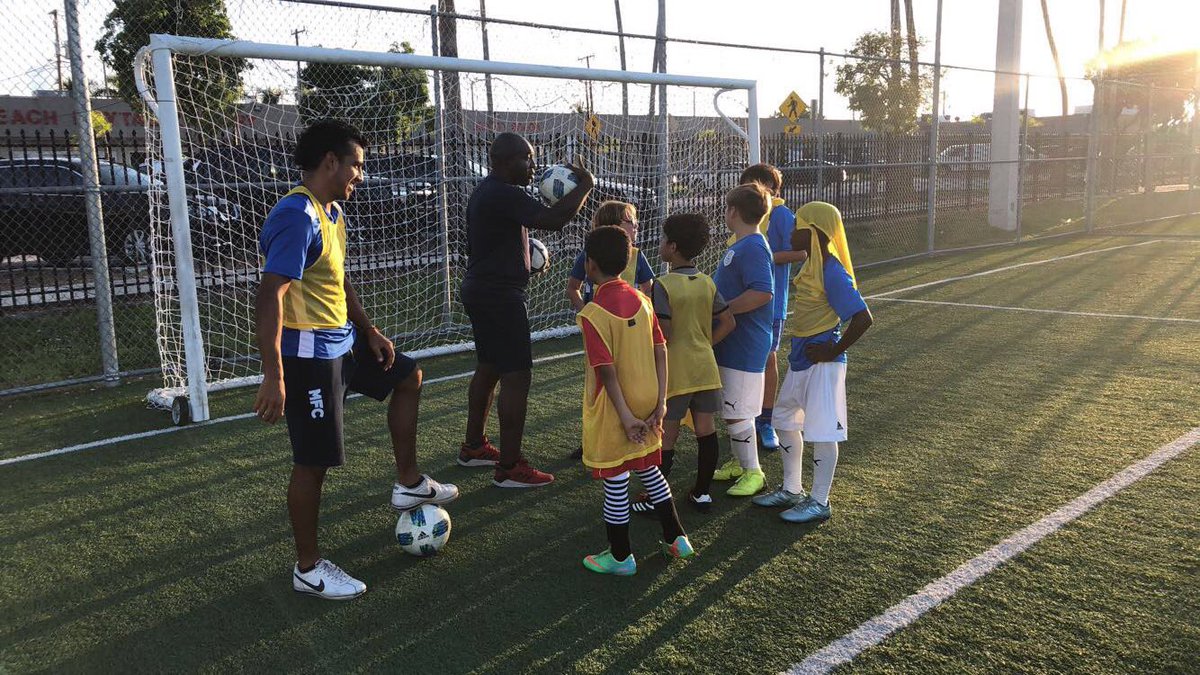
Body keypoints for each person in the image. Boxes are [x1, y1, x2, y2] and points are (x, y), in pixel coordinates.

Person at [253, 119, 458, 600]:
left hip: (343, 344)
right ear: (330, 162)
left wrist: (368, 331)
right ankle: (308, 568)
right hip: (308, 358)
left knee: (408, 376)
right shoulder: (297, 215)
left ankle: (408, 483)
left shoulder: (332, 212)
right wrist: (273, 375)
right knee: (313, 463)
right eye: (356, 165)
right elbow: (269, 295)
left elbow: (338, 279)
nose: (360, 175)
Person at [458, 132, 594, 488]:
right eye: (527, 159)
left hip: (483, 289)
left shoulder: (490, 192)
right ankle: (510, 467)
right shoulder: (503, 192)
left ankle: (473, 447)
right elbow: (553, 220)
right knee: (516, 376)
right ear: (503, 162)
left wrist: (522, 259)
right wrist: (586, 186)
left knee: (488, 367)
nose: (534, 166)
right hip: (499, 297)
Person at [576, 225, 695, 575]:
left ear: (590, 265)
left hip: (619, 407)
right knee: (648, 466)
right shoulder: (643, 301)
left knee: (616, 480)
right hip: (649, 397)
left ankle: (620, 555)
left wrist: (626, 417)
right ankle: (677, 538)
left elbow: (607, 371)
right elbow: (661, 350)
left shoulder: (592, 314)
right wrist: (660, 403)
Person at [753, 202, 872, 523]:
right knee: (785, 421)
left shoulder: (832, 271)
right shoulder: (811, 267)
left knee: (822, 433)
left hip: (823, 365)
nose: (791, 232)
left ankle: (819, 501)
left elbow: (863, 318)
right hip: (802, 360)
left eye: (797, 226)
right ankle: (792, 489)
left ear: (813, 232)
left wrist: (832, 352)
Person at [630, 213, 736, 516]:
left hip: (677, 370)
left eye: (663, 240)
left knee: (668, 433)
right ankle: (701, 493)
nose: (660, 244)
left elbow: (663, 333)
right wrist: (704, 343)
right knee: (705, 429)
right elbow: (728, 321)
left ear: (673, 247)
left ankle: (654, 498)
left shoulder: (662, 285)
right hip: (705, 367)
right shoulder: (706, 282)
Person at [566, 199, 654, 461]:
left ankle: (634, 427)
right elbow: (573, 287)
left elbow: (648, 286)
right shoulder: (588, 255)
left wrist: (637, 307)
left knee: (627, 379)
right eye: (630, 222)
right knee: (596, 386)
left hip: (630, 333)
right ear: (612, 225)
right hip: (602, 333)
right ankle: (591, 439)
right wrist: (587, 314)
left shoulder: (637, 256)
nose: (636, 227)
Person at [710, 184, 775, 497]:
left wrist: (723, 309)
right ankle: (740, 462)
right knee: (731, 407)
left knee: (738, 409)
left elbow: (762, 292)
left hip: (746, 343)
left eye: (726, 207)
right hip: (733, 342)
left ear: (733, 211)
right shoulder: (743, 244)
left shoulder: (752, 247)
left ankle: (754, 472)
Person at [738, 164, 805, 452]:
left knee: (767, 358)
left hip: (770, 304)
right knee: (743, 360)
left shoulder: (780, 214)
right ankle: (744, 415)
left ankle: (766, 420)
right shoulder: (742, 216)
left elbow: (802, 251)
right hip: (743, 301)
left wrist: (765, 255)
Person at [565, 200, 655, 311]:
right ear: (614, 227)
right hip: (598, 320)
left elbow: (648, 290)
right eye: (631, 220)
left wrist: (644, 312)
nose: (636, 224)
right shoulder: (590, 253)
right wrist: (585, 312)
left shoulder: (637, 255)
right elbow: (572, 287)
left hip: (628, 320)